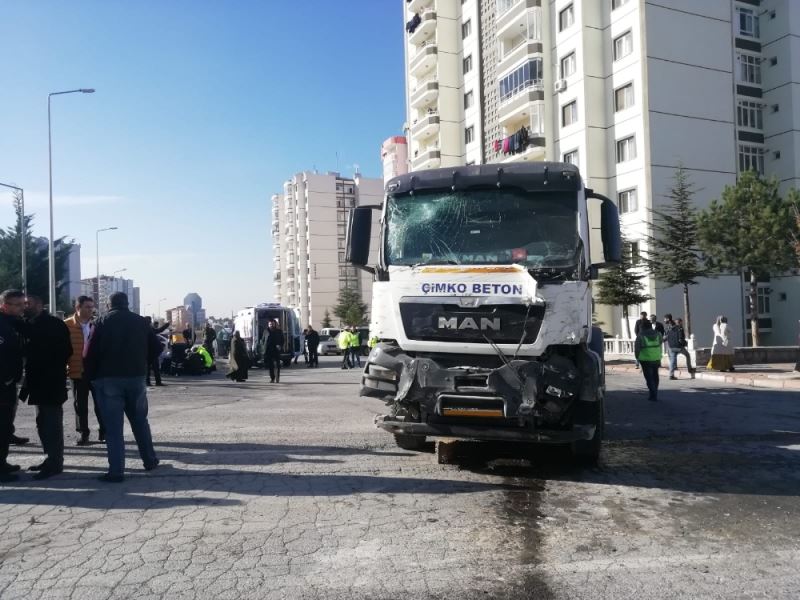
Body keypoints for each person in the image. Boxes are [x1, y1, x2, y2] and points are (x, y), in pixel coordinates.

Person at [84, 292, 160, 483]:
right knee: (140, 421)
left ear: (109, 305)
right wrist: (142, 363)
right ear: (127, 304)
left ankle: (116, 471)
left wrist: (91, 376)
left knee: (113, 428)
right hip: (136, 378)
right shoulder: (141, 321)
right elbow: (157, 347)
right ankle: (150, 461)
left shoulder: (101, 322)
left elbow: (88, 352)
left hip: (108, 379)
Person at [20, 294, 73, 480]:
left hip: (50, 382)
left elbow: (67, 351)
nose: (25, 306)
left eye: (29, 303)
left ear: (40, 304)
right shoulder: (29, 324)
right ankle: (50, 458)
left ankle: (55, 462)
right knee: (42, 423)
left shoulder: (52, 324)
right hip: (38, 383)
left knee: (51, 424)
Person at [65, 296, 105, 445]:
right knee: (80, 404)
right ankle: (83, 433)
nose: (91, 310)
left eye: (92, 307)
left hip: (95, 371)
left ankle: (104, 432)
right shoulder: (67, 325)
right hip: (77, 370)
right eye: (87, 307)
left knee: (100, 403)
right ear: (78, 308)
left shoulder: (97, 325)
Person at [0, 289, 25, 482]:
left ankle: (2, 462)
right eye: (17, 304)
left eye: (22, 303)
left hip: (8, 384)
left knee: (6, 426)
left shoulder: (12, 323)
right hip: (2, 384)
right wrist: (6, 378)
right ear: (4, 305)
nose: (21, 307)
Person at [634, 319, 663, 402]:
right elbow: (660, 342)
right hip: (656, 358)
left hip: (645, 359)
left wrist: (637, 358)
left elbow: (637, 349)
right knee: (655, 376)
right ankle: (654, 393)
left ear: (642, 327)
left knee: (649, 378)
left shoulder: (640, 336)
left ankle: (653, 393)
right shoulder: (658, 334)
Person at [145, 317, 169, 387]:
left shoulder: (147, 329)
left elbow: (159, 330)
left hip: (150, 352)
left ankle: (151, 382)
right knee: (153, 368)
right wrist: (167, 324)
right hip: (151, 352)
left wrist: (167, 324)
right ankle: (154, 382)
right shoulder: (148, 329)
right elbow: (159, 330)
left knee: (150, 368)